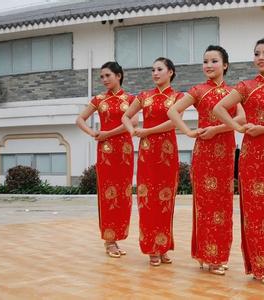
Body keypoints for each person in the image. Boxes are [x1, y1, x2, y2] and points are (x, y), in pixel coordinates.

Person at [213, 38, 264, 285]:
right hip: (252, 156)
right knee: (255, 212)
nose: (260, 57)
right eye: (257, 53)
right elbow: (219, 108)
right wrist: (238, 127)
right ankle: (260, 268)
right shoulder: (246, 87)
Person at [168, 45, 244, 275]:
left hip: (225, 151)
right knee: (204, 206)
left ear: (225, 65)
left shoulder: (232, 91)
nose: (209, 66)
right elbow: (173, 112)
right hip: (204, 153)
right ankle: (207, 255)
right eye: (206, 61)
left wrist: (217, 129)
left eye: (214, 61)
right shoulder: (198, 90)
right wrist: (190, 132)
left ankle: (218, 254)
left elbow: (242, 116)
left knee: (223, 205)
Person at [122, 57, 182, 266]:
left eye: (160, 69)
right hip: (147, 154)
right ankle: (151, 249)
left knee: (166, 200)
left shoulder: (178, 96)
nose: (155, 73)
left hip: (167, 153)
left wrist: (147, 131)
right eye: (153, 69)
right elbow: (125, 117)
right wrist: (134, 132)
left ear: (170, 72)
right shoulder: (144, 96)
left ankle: (163, 246)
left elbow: (173, 122)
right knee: (148, 201)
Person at [76, 61, 137, 258]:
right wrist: (94, 133)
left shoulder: (130, 99)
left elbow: (134, 122)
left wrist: (107, 133)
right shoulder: (99, 99)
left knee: (123, 194)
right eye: (101, 76)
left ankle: (117, 237)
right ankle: (109, 241)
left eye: (107, 75)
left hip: (125, 152)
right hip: (107, 153)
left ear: (119, 75)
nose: (104, 80)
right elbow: (79, 120)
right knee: (107, 194)